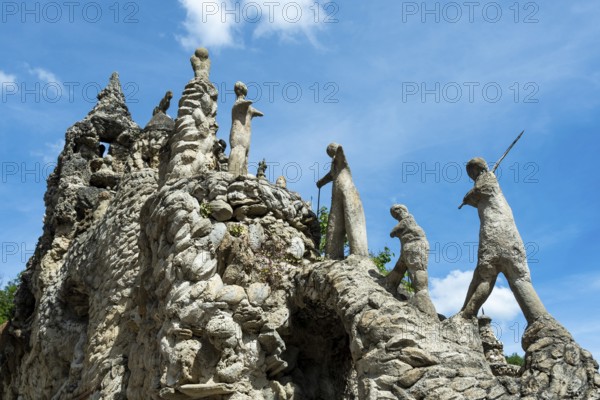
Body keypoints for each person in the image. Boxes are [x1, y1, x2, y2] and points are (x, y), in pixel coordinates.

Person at [459, 157, 548, 323]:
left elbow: (477, 192)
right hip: (508, 234)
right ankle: (541, 320)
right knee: (514, 278)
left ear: (475, 170)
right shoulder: (488, 181)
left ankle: (466, 315)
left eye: (471, 172)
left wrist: (467, 197)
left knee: (485, 275)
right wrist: (469, 199)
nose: (471, 176)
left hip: (496, 232)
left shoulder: (486, 178)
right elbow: (478, 198)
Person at [316, 143, 368, 259]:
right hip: (336, 192)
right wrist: (321, 182)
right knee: (334, 222)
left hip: (346, 189)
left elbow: (341, 153)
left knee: (351, 217)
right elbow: (331, 175)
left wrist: (338, 149)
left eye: (330, 150)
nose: (329, 152)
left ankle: (358, 253)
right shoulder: (334, 164)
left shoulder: (340, 158)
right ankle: (332, 254)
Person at [386, 204, 437, 317]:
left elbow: (394, 231)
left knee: (416, 270)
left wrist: (394, 231)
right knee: (399, 268)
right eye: (394, 213)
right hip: (407, 248)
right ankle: (389, 286)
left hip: (414, 245)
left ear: (402, 210)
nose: (396, 214)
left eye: (396, 211)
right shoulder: (405, 221)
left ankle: (422, 296)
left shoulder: (408, 219)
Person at [228, 82, 263, 178]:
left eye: (240, 88)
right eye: (238, 89)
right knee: (238, 150)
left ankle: (242, 172)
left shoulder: (248, 108)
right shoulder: (238, 104)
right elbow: (246, 104)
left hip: (246, 134)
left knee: (245, 153)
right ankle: (233, 174)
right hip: (238, 132)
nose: (239, 90)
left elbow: (258, 112)